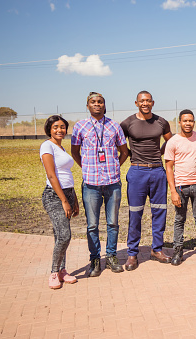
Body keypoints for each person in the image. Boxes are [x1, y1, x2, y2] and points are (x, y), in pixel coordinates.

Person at [71, 92, 129, 277]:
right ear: (87, 105)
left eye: (100, 102)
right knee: (92, 225)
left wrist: (114, 167)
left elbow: (124, 152)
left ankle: (111, 256)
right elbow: (75, 151)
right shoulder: (80, 126)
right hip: (91, 184)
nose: (97, 104)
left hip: (113, 183)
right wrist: (87, 167)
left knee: (113, 223)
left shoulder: (114, 126)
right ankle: (95, 259)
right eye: (93, 102)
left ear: (105, 105)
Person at [120, 91, 173, 271]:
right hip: (137, 171)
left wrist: (160, 153)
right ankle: (132, 253)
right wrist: (128, 154)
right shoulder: (128, 123)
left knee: (159, 212)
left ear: (153, 102)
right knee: (135, 213)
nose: (145, 103)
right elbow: (118, 143)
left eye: (148, 100)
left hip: (158, 171)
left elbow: (170, 141)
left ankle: (156, 249)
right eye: (142, 101)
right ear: (136, 103)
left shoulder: (161, 122)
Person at [164, 109, 196, 265]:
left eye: (191, 121)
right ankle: (178, 250)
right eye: (185, 120)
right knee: (179, 219)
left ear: (194, 122)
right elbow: (169, 168)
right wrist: (173, 191)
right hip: (181, 187)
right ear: (179, 122)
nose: (188, 123)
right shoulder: (172, 142)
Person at [40, 115, 79, 289]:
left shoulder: (61, 148)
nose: (59, 130)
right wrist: (64, 200)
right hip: (54, 196)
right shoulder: (46, 146)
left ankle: (63, 270)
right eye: (56, 127)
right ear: (49, 129)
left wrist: (74, 199)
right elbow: (51, 175)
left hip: (68, 193)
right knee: (64, 235)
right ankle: (54, 273)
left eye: (62, 127)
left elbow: (67, 176)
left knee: (59, 235)